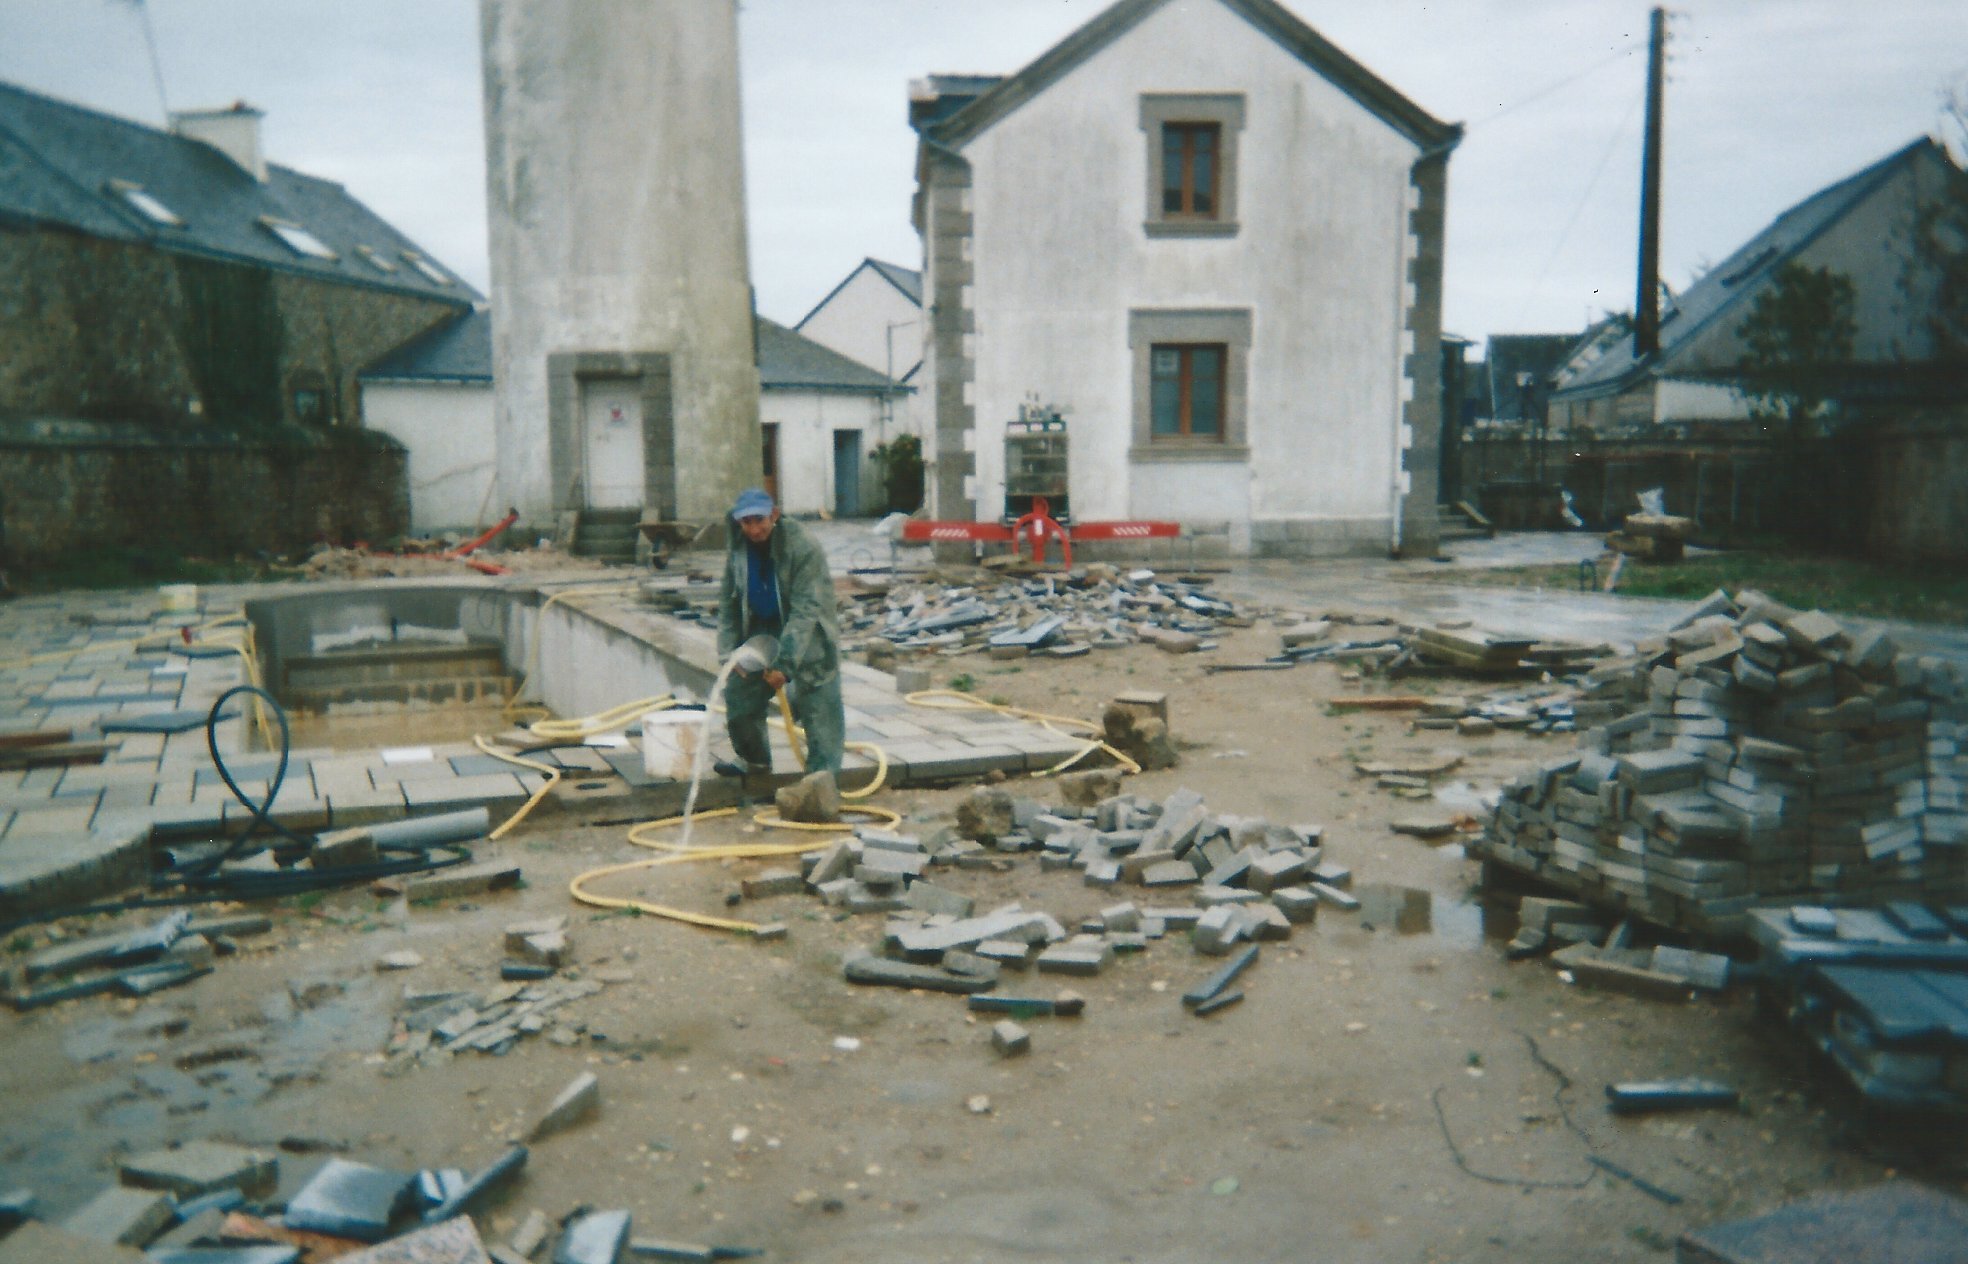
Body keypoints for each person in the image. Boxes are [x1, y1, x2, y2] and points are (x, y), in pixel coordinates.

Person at [714, 487, 844, 776]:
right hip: (763, 626)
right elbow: (728, 601)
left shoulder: (801, 546)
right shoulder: (738, 547)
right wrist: (728, 653)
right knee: (739, 692)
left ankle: (822, 778)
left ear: (774, 515)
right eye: (746, 522)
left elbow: (806, 609)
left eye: (760, 520)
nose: (754, 529)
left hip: (809, 629)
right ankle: (755, 761)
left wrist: (784, 665)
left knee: (818, 700)